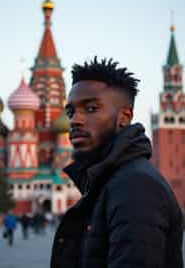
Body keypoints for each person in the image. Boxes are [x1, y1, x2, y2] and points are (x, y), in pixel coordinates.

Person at [50, 57, 183, 268]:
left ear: (124, 116)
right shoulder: (108, 180)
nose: (74, 120)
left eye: (91, 108)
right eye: (71, 112)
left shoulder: (136, 185)